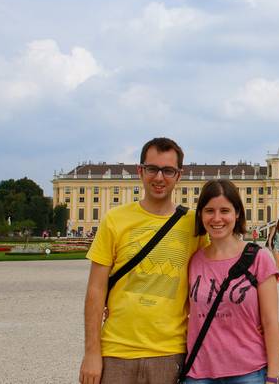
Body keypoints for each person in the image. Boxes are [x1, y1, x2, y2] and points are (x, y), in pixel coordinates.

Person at [79, 138, 207, 384]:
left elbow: (215, 277)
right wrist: (92, 353)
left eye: (168, 170)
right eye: (152, 169)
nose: (159, 177)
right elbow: (95, 290)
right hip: (116, 351)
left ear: (179, 175)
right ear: (140, 171)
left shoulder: (194, 225)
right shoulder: (115, 219)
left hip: (169, 353)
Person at [185, 179, 279, 383]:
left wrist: (273, 377)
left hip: (248, 372)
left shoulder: (259, 258)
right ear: (200, 214)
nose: (217, 218)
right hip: (198, 372)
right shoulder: (193, 260)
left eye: (225, 211)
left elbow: (270, 322)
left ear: (237, 214)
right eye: (209, 210)